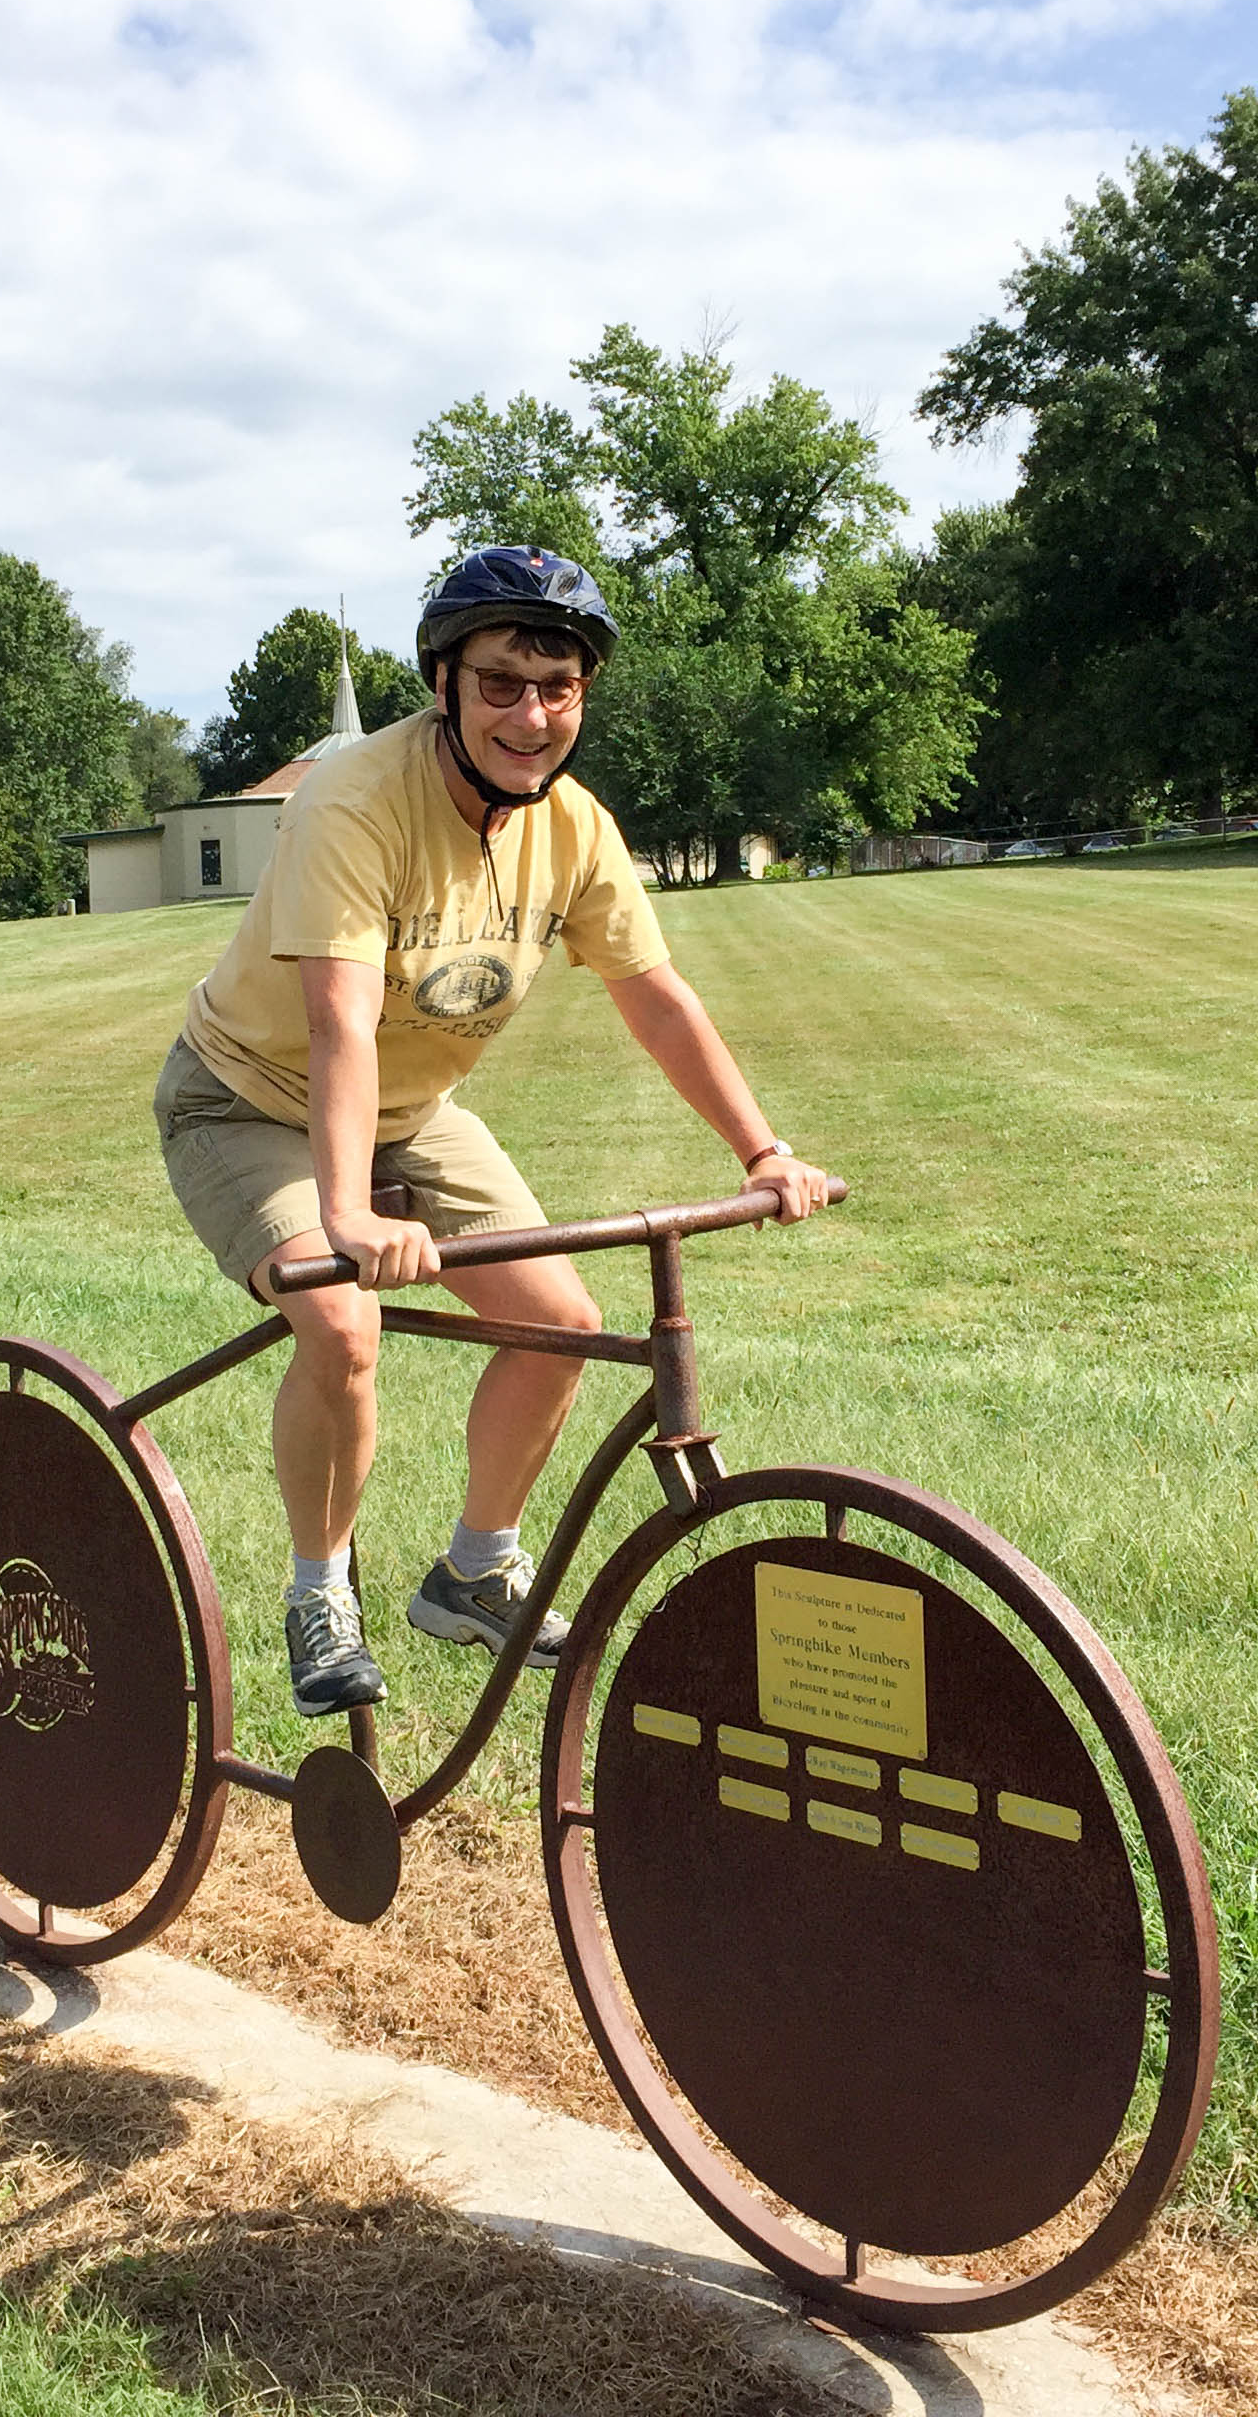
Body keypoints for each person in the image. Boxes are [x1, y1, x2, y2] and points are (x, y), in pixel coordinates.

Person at [153, 545, 832, 1714]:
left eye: (558, 686)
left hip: (413, 1114)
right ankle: (320, 1591)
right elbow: (340, 1023)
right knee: (342, 1324)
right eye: (502, 682)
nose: (531, 714)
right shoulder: (354, 798)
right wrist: (350, 1215)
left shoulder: (572, 827)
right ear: (443, 683)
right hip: (247, 1097)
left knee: (564, 1324)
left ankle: (474, 1573)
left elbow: (655, 997)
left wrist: (762, 1151)